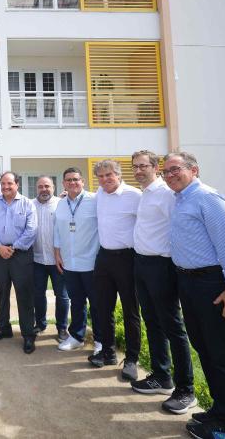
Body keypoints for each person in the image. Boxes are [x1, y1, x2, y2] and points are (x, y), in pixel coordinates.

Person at [164, 152, 225, 439]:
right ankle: (220, 409)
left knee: (223, 354)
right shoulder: (181, 200)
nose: (170, 175)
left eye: (175, 169)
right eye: (166, 172)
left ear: (194, 170)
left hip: (216, 285)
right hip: (191, 284)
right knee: (205, 348)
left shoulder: (207, 198)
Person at [129, 150, 197, 415]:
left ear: (155, 167)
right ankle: (161, 376)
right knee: (153, 322)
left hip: (162, 265)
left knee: (172, 327)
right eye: (135, 166)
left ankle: (185, 389)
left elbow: (178, 229)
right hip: (142, 264)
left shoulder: (167, 194)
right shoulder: (145, 194)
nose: (138, 171)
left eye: (143, 166)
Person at [89, 160, 142, 382]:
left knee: (131, 311)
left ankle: (131, 359)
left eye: (109, 175)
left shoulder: (134, 195)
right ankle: (108, 352)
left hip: (127, 259)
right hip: (104, 257)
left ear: (119, 175)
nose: (105, 180)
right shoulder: (99, 195)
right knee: (103, 308)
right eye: (100, 176)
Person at [0, 172, 38, 354]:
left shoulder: (27, 204)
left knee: (24, 294)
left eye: (9, 183)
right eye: (3, 184)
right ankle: (4, 328)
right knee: (2, 292)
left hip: (20, 254)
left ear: (17, 184)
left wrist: (13, 247)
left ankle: (28, 334)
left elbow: (32, 230)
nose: (5, 187)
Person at [53, 167, 101, 353]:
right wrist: (57, 253)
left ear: (83, 181)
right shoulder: (61, 204)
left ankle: (101, 341)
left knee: (97, 304)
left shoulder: (95, 200)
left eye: (76, 179)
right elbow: (57, 231)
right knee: (77, 301)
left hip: (91, 262)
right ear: (63, 183)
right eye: (68, 180)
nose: (72, 183)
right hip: (69, 262)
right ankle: (77, 337)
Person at [32, 176, 69, 342]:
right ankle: (40, 324)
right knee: (38, 294)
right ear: (36, 188)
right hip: (37, 260)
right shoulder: (30, 205)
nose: (44, 189)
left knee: (62, 296)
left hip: (58, 260)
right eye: (40, 186)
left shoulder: (62, 204)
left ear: (53, 187)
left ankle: (62, 328)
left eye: (47, 186)